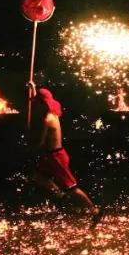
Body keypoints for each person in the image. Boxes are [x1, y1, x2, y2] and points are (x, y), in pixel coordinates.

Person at [29, 82, 102, 226]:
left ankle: (95, 211)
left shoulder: (47, 119)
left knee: (72, 188)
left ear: (43, 104)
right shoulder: (52, 114)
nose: (37, 105)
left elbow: (41, 142)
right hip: (51, 156)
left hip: (56, 157)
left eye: (39, 103)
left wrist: (29, 143)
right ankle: (60, 194)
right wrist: (33, 88)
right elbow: (34, 101)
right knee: (38, 176)